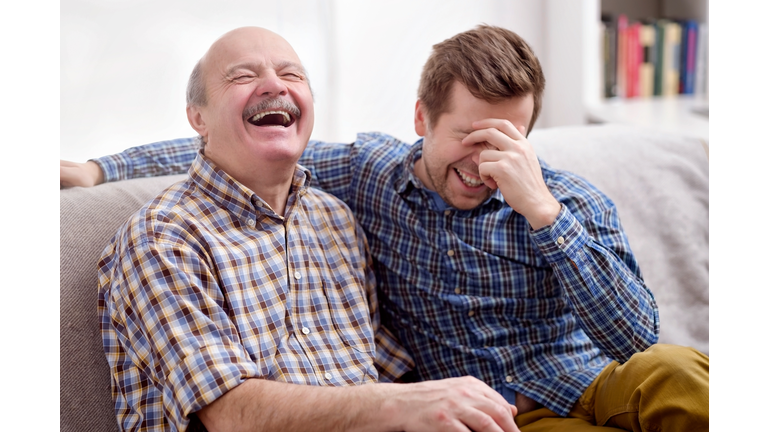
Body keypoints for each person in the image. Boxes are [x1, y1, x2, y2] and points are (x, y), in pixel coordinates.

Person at [67, 25, 709, 431]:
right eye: (468, 136)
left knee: (681, 375)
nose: (486, 161)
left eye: (507, 139)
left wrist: (546, 217)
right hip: (509, 413)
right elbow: (232, 148)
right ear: (422, 120)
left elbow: (638, 341)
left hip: (587, 377)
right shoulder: (360, 180)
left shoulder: (563, 201)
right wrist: (99, 170)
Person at [95, 26, 522, 432]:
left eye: (290, 74)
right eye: (243, 75)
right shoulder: (162, 237)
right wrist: (408, 404)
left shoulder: (334, 219)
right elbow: (230, 415)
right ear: (198, 119)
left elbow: (387, 367)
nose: (274, 85)